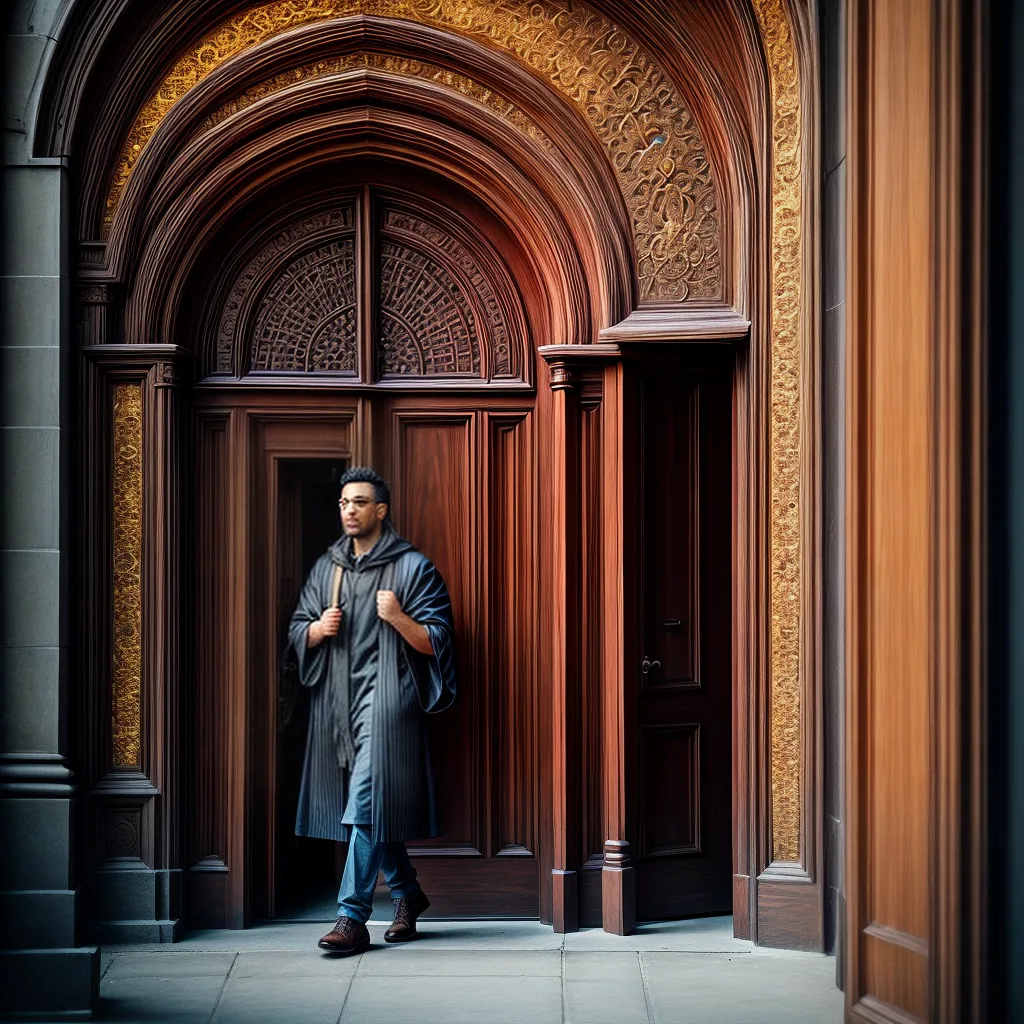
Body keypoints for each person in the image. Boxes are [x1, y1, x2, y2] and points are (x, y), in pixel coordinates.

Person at [287, 466, 457, 956]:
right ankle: (408, 895)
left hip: (390, 707)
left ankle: (352, 917)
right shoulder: (329, 568)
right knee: (371, 809)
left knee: (364, 803)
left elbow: (437, 643)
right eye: (343, 503)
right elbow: (299, 629)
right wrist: (317, 630)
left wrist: (400, 617)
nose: (350, 510)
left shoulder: (412, 568)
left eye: (359, 502)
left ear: (380, 510)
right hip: (338, 709)